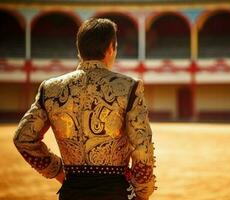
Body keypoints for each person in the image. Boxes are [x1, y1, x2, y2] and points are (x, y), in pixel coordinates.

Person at [13, 18, 156, 200]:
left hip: (72, 191)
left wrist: (58, 171)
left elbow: (23, 138)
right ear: (111, 48)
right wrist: (142, 193)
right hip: (115, 192)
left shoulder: (50, 88)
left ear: (79, 50)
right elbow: (143, 148)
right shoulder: (129, 87)